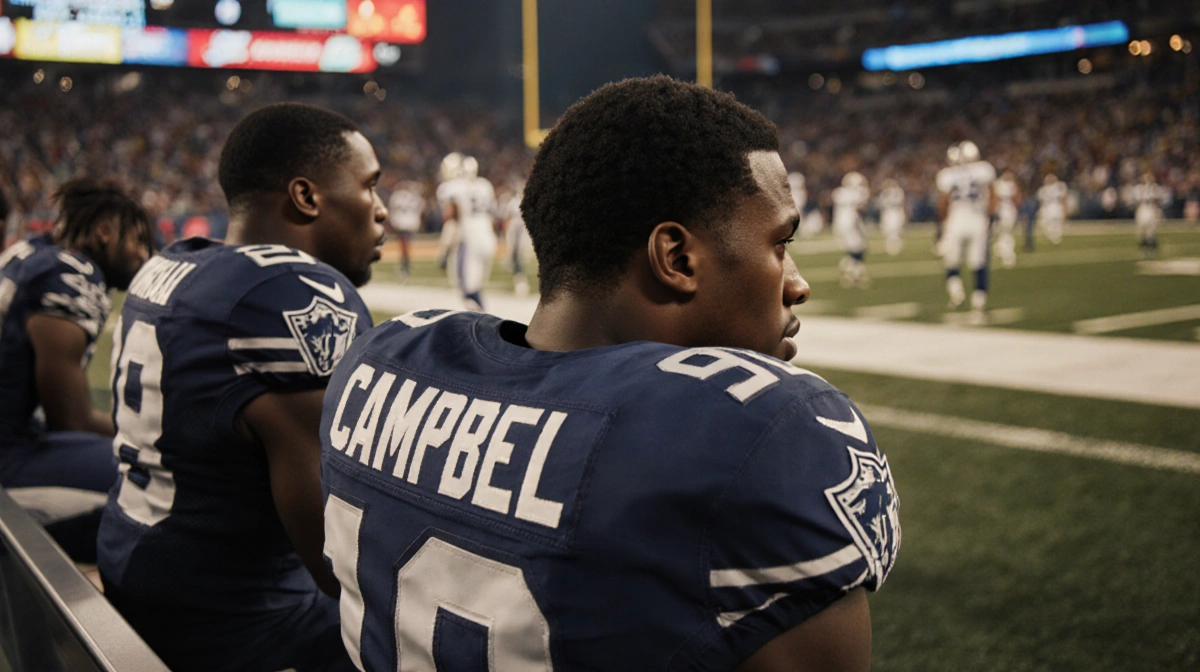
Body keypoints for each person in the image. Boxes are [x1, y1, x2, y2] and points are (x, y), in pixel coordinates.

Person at [320, 76, 898, 671]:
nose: (797, 282)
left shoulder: (379, 364)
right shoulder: (760, 436)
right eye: (780, 243)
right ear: (675, 258)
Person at [96, 102, 387, 672]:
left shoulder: (176, 264)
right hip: (235, 623)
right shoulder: (288, 293)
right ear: (306, 197)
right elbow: (336, 563)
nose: (380, 211)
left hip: (143, 568)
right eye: (369, 186)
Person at [0, 179, 151, 560]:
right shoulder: (71, 273)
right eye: (138, 240)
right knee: (160, 479)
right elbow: (71, 418)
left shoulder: (29, 252)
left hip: (18, 438)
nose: (143, 255)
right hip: (8, 456)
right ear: (105, 231)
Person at [935, 140, 996, 316]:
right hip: (978, 219)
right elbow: (992, 195)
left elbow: (943, 202)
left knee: (951, 260)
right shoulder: (984, 170)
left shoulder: (947, 174)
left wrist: (943, 223)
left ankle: (956, 292)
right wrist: (990, 217)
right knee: (979, 262)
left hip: (957, 219)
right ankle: (979, 300)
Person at [436, 153, 498, 310]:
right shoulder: (485, 185)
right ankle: (481, 314)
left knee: (465, 287)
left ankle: (478, 321)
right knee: (476, 285)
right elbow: (492, 213)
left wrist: (445, 249)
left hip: (469, 238)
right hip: (488, 236)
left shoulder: (452, 188)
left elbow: (451, 216)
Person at [832, 170, 871, 287]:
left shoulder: (839, 192)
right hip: (851, 223)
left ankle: (850, 268)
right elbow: (859, 209)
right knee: (860, 248)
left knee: (852, 248)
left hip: (839, 223)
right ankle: (852, 273)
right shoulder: (857, 194)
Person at [501, 179, 533, 296]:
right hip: (517, 232)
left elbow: (510, 219)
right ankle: (520, 280)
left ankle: (521, 282)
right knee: (515, 256)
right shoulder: (516, 202)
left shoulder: (516, 203)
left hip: (519, 232)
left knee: (517, 257)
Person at [387, 180, 424, 279]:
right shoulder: (414, 197)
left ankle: (405, 264)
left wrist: (393, 222)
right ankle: (405, 263)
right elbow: (420, 209)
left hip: (401, 223)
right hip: (410, 222)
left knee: (404, 245)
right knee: (405, 244)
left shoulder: (397, 196)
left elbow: (392, 209)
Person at [1130, 172, 1169, 258]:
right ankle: (1143, 246)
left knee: (1152, 228)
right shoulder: (1138, 188)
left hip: (1151, 208)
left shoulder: (1155, 187)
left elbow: (1159, 199)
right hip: (1143, 207)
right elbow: (1137, 199)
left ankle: (1151, 245)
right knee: (1142, 227)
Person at [992, 171, 1020, 268]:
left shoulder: (1008, 184)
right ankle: (1002, 249)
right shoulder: (1000, 184)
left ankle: (1008, 254)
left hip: (1006, 209)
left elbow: (1016, 198)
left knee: (1006, 232)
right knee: (1003, 232)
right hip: (1004, 209)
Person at [878, 178, 907, 256]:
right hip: (888, 211)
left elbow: (900, 202)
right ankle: (890, 245)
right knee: (887, 229)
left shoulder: (896, 191)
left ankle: (895, 246)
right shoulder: (885, 192)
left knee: (894, 229)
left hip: (895, 211)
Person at [1036, 173, 1067, 245]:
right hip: (1046, 207)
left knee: (1056, 223)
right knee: (1044, 223)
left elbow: (1063, 198)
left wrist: (1064, 209)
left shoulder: (1059, 187)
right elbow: (1041, 201)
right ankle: (1051, 236)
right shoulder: (1043, 189)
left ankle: (1056, 238)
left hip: (1056, 206)